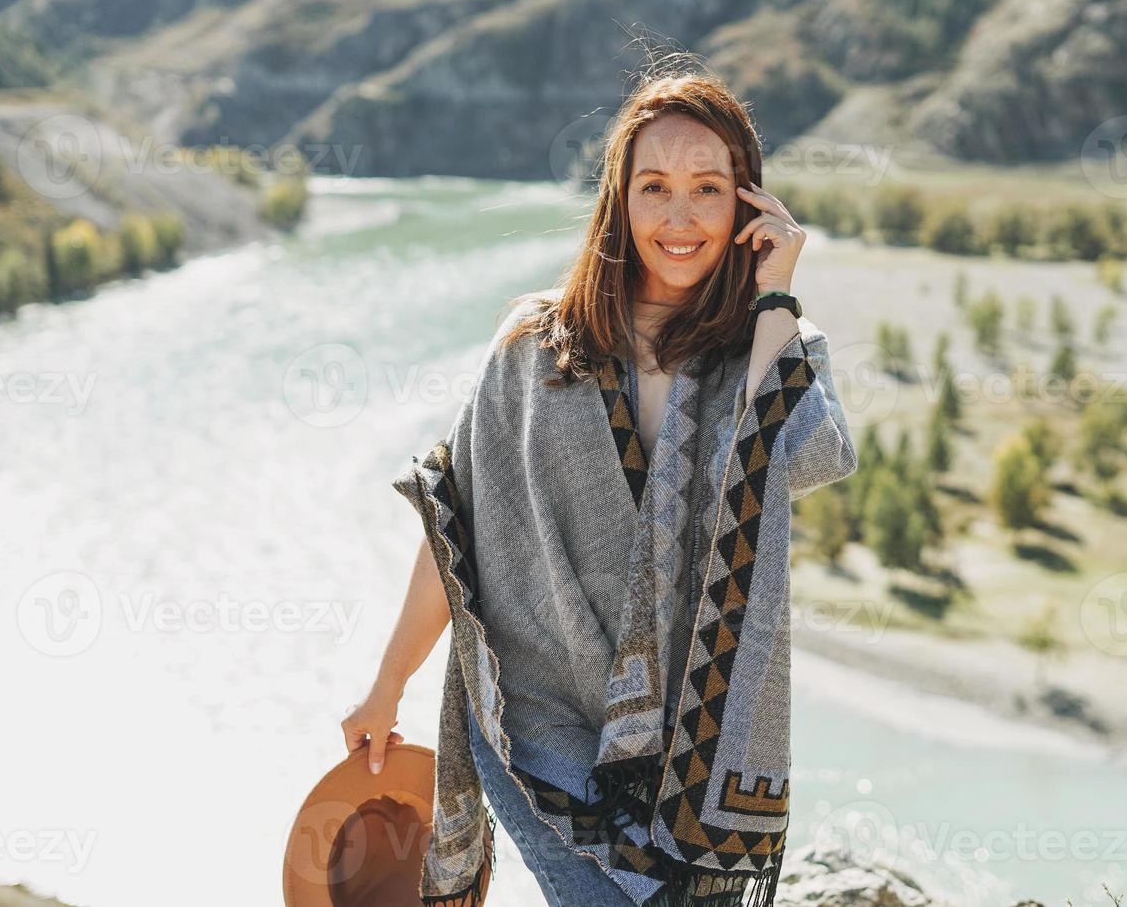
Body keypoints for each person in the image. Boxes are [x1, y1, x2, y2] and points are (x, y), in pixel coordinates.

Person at [341, 63, 858, 907]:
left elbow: (799, 455)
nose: (679, 217)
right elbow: (457, 533)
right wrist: (386, 684)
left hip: (689, 754)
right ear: (619, 198)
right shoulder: (534, 347)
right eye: (654, 187)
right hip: (531, 718)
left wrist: (776, 297)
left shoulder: (772, 345)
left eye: (708, 188)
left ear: (749, 204)